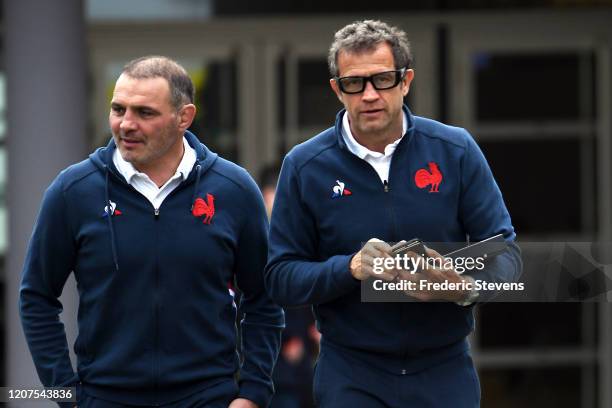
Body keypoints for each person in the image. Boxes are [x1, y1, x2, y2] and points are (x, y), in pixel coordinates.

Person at [265, 20, 522, 408]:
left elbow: (506, 255)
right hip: (351, 372)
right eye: (354, 83)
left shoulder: (455, 150)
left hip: (444, 368)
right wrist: (349, 268)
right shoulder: (305, 165)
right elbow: (280, 276)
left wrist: (462, 286)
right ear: (337, 89)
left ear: (406, 81)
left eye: (382, 79)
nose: (369, 94)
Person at [20, 56, 284, 408]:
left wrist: (253, 393)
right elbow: (36, 297)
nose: (126, 124)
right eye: (118, 109)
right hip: (105, 397)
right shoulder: (73, 191)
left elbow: (264, 300)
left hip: (207, 397)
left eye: (144, 113)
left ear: (184, 118)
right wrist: (66, 395)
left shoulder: (234, 189)